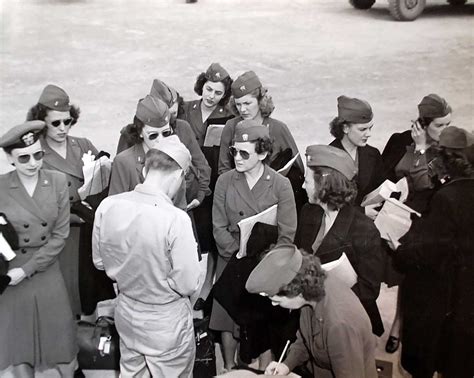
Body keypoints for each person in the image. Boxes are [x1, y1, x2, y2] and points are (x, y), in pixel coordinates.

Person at [93, 137, 201, 377]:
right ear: (178, 176)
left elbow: (100, 262)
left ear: (145, 169)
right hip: (166, 322)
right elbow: (188, 283)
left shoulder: (107, 206)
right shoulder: (176, 219)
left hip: (127, 313)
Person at [211, 120, 297, 371]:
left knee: (261, 321)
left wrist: (268, 263)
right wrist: (237, 253)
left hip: (264, 264)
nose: (236, 157)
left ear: (262, 153)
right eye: (233, 151)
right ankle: (228, 367)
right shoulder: (225, 181)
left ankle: (263, 371)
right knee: (226, 317)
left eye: (244, 153)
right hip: (232, 260)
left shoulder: (281, 185)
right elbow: (218, 226)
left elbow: (287, 233)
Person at [391, 126, 474, 378]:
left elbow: (426, 253)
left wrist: (399, 249)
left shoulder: (446, 198)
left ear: (444, 160)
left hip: (441, 299)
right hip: (466, 299)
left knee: (431, 361)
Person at [26, 84, 112, 317]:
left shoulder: (82, 144)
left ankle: (91, 344)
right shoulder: (36, 153)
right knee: (64, 298)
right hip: (62, 234)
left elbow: (104, 181)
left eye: (68, 121)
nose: (63, 128)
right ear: (42, 120)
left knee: (90, 295)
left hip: (87, 233)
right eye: (56, 123)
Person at [0, 121, 77, 377]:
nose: (33, 163)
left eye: (38, 155)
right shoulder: (0, 187)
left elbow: (59, 235)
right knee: (18, 344)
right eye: (24, 158)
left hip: (45, 267)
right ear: (10, 158)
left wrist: (27, 269)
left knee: (61, 340)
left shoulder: (57, 181)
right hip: (11, 275)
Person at [381, 93, 452, 353]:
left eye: (448, 124)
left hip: (422, 222)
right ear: (422, 123)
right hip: (393, 214)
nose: (446, 130)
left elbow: (431, 185)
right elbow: (385, 173)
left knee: (410, 276)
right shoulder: (399, 141)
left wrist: (422, 149)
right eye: (440, 125)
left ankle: (399, 324)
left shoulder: (446, 151)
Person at [246, 244, 377, 378]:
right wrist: (286, 364)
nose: (274, 304)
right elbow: (307, 336)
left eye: (277, 301)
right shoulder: (311, 291)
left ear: (297, 292)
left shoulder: (339, 325)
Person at [295, 145, 385, 336]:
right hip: (309, 312)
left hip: (344, 319)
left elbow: (369, 290)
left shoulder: (365, 231)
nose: (303, 186)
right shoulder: (308, 212)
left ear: (324, 185)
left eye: (307, 181)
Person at [180, 63, 234, 310]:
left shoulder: (228, 116)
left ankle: (206, 286)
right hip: (188, 177)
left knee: (212, 231)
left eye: (218, 93)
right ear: (202, 86)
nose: (211, 97)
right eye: (208, 89)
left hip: (212, 179)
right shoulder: (186, 109)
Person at [218, 71, 307, 212]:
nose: (243, 110)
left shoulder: (279, 128)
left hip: (274, 201)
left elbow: (298, 169)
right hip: (239, 199)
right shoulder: (231, 126)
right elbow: (223, 168)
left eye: (247, 103)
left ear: (260, 100)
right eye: (238, 104)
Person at [110, 94, 211, 212]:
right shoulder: (124, 162)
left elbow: (180, 206)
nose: (161, 140)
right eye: (153, 135)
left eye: (166, 133)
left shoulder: (175, 157)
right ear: (140, 132)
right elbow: (115, 209)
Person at [329, 95, 385, 206]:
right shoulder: (328, 158)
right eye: (362, 129)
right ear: (345, 128)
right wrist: (363, 212)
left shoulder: (373, 154)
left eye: (370, 128)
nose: (369, 134)